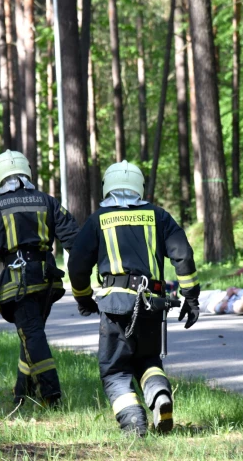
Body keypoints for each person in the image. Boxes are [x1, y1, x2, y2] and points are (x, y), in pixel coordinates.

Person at [68, 160, 201, 436]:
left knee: (114, 370)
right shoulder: (158, 216)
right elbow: (183, 255)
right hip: (152, 303)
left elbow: (77, 265)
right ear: (138, 186)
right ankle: (160, 395)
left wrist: (83, 298)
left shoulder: (98, 220)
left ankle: (133, 422)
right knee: (148, 360)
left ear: (108, 187)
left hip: (116, 305)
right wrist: (191, 297)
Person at [0, 150, 79, 408]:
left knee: (31, 335)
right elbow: (74, 237)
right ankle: (22, 394)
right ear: (27, 170)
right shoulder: (48, 202)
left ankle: (51, 397)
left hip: (19, 283)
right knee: (30, 334)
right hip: (47, 281)